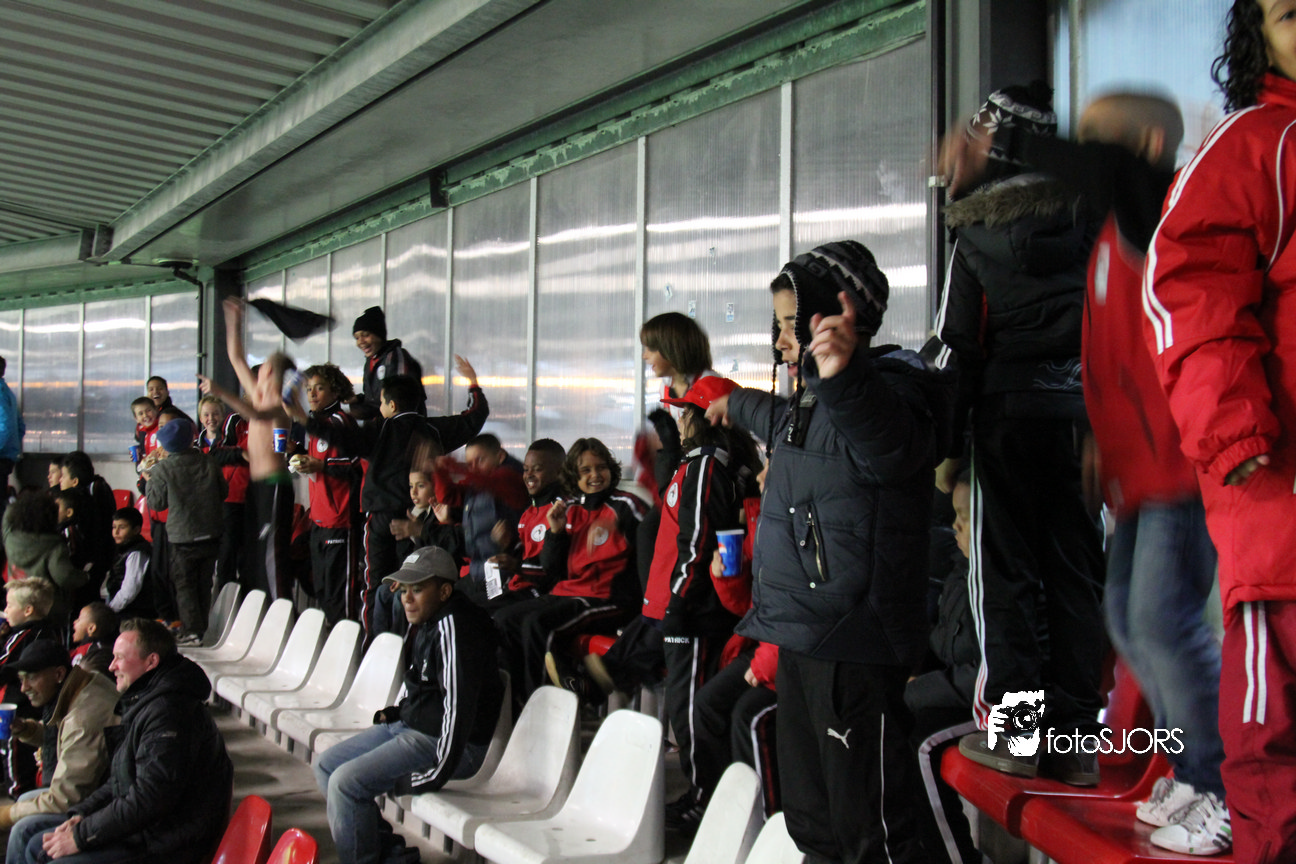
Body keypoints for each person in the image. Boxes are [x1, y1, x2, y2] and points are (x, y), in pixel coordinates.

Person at [945, 90, 1229, 851]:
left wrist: (997, 148)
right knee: (1105, 602)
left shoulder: (1142, 204)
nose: (1082, 152)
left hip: (1093, 442)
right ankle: (1105, 751)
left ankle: (1205, 780)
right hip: (1107, 443)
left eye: (1095, 140)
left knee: (1025, 584)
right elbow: (1111, 337)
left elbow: (958, 342)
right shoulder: (1099, 225)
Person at [707, 240, 948, 864]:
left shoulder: (893, 388)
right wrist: (734, 402)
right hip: (803, 631)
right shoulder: (814, 401)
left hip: (853, 639)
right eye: (778, 325)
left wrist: (845, 378)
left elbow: (892, 446)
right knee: (813, 823)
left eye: (792, 323)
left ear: (837, 316)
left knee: (871, 829)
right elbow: (781, 419)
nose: (782, 340)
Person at [1141, 3, 1296, 858]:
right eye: (1292, 13)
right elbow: (1187, 289)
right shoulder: (1255, 145)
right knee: (1272, 747)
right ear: (1259, 38)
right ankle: (1207, 787)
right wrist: (1234, 434)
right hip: (1276, 506)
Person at [933, 82, 1106, 785]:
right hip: (1085, 423)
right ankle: (1078, 743)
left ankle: (1017, 735)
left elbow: (956, 349)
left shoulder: (974, 234)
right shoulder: (1094, 219)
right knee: (1076, 576)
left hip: (1006, 422)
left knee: (1005, 579)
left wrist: (947, 449)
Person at [313, 545, 504, 864]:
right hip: (412, 726)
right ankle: (389, 857)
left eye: (417, 589)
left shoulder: (456, 627)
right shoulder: (428, 621)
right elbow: (420, 682)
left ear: (444, 591)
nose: (407, 598)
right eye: (404, 590)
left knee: (346, 784)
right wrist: (398, 712)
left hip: (449, 744)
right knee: (326, 766)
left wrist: (431, 776)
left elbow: (458, 713)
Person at [9, 619, 233, 864]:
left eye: (120, 658)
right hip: (147, 829)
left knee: (45, 853)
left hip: (168, 842)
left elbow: (149, 799)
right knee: (30, 837)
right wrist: (82, 814)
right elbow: (121, 780)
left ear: (151, 661)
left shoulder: (169, 712)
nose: (111, 665)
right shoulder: (146, 698)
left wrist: (82, 837)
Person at [300, 366, 488, 646]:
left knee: (375, 586)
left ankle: (372, 647)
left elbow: (341, 437)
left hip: (378, 517)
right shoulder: (434, 430)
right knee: (412, 588)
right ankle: (408, 650)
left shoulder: (379, 429)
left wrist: (304, 420)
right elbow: (475, 418)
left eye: (382, 403)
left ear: (391, 405)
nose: (380, 409)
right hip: (415, 520)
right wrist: (473, 384)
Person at [494, 437, 646, 706]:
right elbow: (551, 569)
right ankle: (516, 703)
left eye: (601, 467)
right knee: (504, 619)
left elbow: (652, 548)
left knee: (537, 624)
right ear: (574, 476)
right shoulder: (569, 509)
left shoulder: (626, 505)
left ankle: (542, 709)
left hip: (606, 597)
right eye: (585, 470)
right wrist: (555, 531)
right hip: (568, 593)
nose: (595, 475)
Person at [199, 297, 299, 602]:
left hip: (274, 484)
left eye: (266, 368)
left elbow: (255, 414)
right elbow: (236, 358)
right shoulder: (258, 396)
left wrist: (220, 391)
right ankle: (262, 608)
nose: (259, 372)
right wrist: (234, 320)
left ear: (274, 375)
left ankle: (283, 610)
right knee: (254, 554)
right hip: (256, 487)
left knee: (272, 554)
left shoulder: (280, 406)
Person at [0, 641, 119, 844]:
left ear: (59, 674)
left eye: (32, 678)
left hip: (108, 803)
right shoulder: (80, 683)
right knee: (24, 802)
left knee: (22, 829)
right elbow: (62, 736)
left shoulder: (83, 718)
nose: (24, 688)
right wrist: (26, 729)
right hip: (94, 791)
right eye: (21, 679)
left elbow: (66, 798)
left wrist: (5, 815)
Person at [143, 419, 226, 646]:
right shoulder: (208, 461)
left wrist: (149, 479)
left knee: (185, 585)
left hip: (183, 537)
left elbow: (157, 503)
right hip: (211, 533)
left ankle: (192, 632)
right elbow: (223, 491)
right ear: (191, 438)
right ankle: (202, 630)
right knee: (204, 583)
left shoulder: (163, 469)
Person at [293, 364, 362, 626]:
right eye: (309, 389)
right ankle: (329, 641)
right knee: (321, 588)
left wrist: (321, 466)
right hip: (319, 519)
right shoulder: (316, 425)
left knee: (339, 592)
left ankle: (348, 644)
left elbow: (355, 465)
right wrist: (295, 453)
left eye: (319, 388)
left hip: (341, 520)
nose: (312, 394)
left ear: (335, 391)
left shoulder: (340, 422)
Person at [428, 434, 528, 607]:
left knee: (472, 610)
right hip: (479, 568)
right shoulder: (477, 483)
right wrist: (439, 469)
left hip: (503, 570)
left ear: (500, 456)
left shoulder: (511, 477)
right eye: (469, 464)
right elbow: (447, 495)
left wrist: (452, 464)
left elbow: (492, 482)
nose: (473, 468)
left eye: (480, 460)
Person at [487, 438, 567, 603]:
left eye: (537, 469)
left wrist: (516, 565)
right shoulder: (528, 512)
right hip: (517, 586)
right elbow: (523, 555)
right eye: (525, 469)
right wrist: (507, 545)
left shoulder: (561, 511)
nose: (529, 475)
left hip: (541, 592)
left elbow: (553, 568)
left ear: (559, 472)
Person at [0, 578, 60, 798]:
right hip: (38, 705)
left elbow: (2, 667)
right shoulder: (48, 631)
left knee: (14, 751)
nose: (5, 610)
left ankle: (18, 795)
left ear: (27, 610)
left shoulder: (22, 635)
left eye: (9, 605)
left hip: (18, 704)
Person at [197, 395, 251, 592]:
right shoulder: (233, 422)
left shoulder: (265, 423)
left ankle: (246, 598)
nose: (211, 418)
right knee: (227, 552)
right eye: (206, 414)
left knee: (247, 554)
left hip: (253, 498)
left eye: (215, 414)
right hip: (228, 499)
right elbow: (215, 454)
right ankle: (224, 596)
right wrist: (241, 455)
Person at [2, 491, 85, 619]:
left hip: (16, 602)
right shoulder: (54, 545)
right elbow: (64, 577)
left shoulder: (10, 536)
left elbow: (9, 512)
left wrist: (24, 505)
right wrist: (85, 576)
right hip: (47, 610)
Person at [350, 306, 427, 421]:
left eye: (365, 335)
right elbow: (375, 398)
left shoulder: (396, 357)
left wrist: (365, 412)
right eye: (357, 338)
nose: (360, 342)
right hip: (382, 425)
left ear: (379, 335)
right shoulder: (370, 361)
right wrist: (357, 399)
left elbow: (400, 400)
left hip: (403, 427)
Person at [103, 507, 154, 624]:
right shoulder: (123, 548)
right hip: (122, 607)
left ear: (136, 530)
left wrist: (110, 610)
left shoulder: (137, 553)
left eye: (122, 527)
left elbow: (130, 589)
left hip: (133, 612)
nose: (116, 532)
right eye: (114, 527)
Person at [69, 602, 118, 676]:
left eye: (79, 619)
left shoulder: (95, 654)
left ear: (91, 628)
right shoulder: (84, 647)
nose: (74, 622)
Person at [0, 356, 24, 498]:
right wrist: (12, 447)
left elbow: (6, 426)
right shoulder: (8, 393)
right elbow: (20, 426)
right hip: (7, 458)